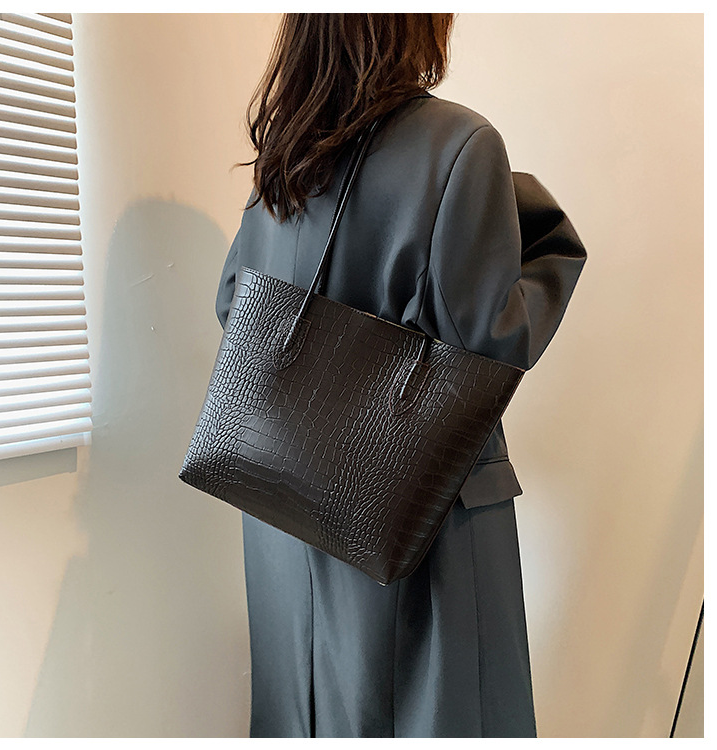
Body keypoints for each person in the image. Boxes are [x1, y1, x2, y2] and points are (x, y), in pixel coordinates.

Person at [214, 13, 586, 738]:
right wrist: (545, 243)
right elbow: (485, 340)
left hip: (285, 516)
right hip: (420, 524)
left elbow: (236, 305)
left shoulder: (285, 156)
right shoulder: (460, 145)